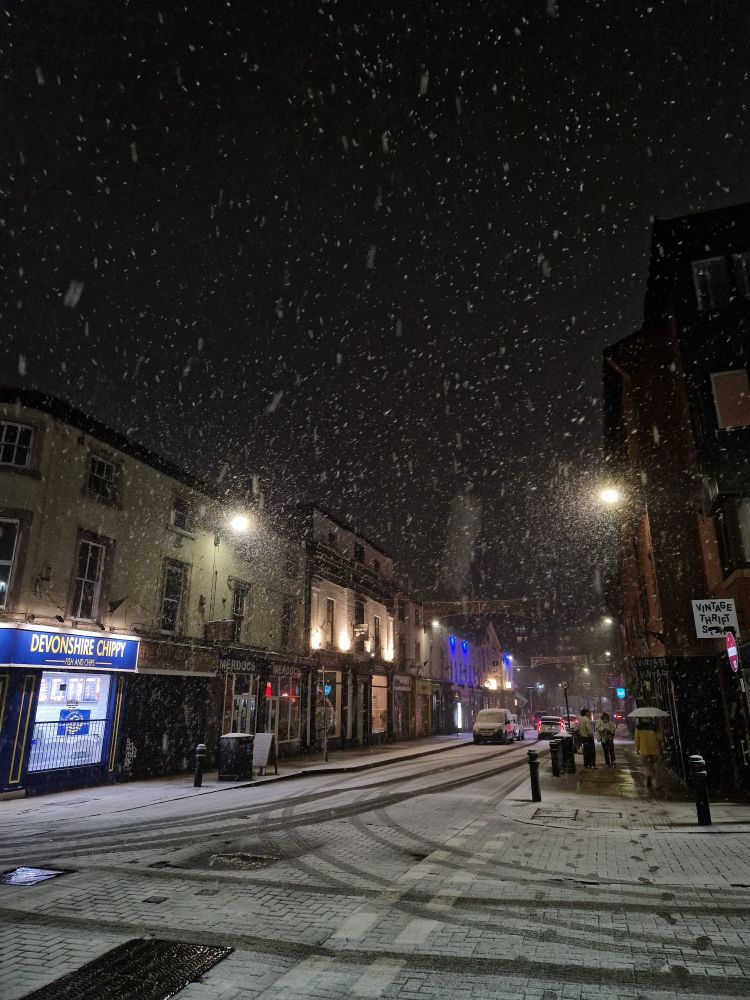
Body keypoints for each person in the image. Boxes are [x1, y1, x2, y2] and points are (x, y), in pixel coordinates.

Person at [634, 718, 662, 790]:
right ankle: (656, 782)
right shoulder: (654, 726)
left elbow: (637, 738)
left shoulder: (639, 727)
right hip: (654, 749)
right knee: (656, 765)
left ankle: (648, 775)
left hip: (644, 749)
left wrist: (637, 748)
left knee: (646, 765)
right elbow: (660, 738)